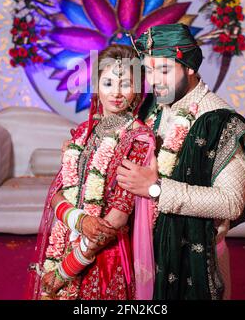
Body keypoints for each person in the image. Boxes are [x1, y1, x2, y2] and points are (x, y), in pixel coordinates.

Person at [117, 24, 245, 300]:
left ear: (190, 67)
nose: (154, 80)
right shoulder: (152, 108)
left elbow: (231, 201)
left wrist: (156, 189)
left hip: (196, 260)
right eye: (149, 70)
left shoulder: (218, 120)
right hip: (147, 255)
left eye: (165, 70)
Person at [26, 44, 155, 300]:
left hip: (106, 258)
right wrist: (79, 220)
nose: (116, 93)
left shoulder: (138, 138)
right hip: (67, 241)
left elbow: (116, 218)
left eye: (126, 84)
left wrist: (65, 271)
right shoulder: (83, 132)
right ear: (96, 85)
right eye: (108, 83)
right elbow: (57, 192)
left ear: (137, 90)